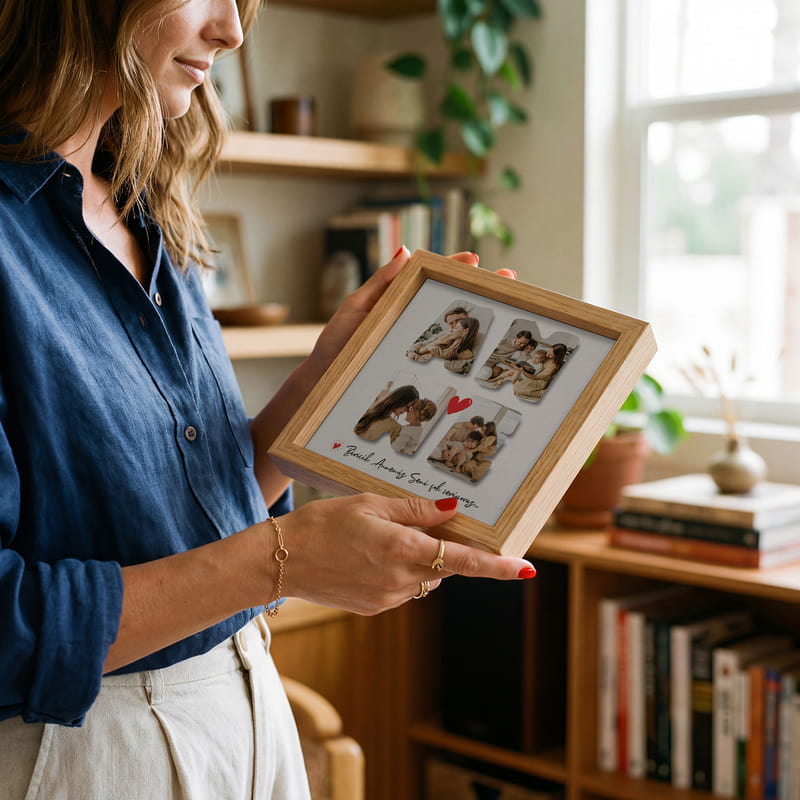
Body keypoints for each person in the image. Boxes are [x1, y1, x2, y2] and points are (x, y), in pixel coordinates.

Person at [0, 1, 538, 797]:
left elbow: (194, 514)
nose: (233, 32)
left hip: (247, 706)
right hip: (83, 753)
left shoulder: (149, 207)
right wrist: (280, 562)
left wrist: (323, 382)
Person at [353, 384, 419, 441]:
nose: (407, 411)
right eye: (408, 407)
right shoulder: (395, 428)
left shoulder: (370, 411)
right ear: (399, 400)